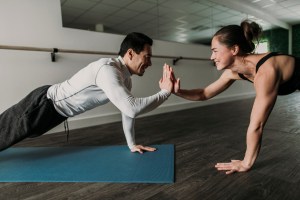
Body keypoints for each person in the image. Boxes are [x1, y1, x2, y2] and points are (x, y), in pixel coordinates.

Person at [0, 32, 174, 154]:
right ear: (130, 53)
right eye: (147, 57)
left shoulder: (125, 78)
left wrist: (132, 144)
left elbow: (127, 112)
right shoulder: (108, 70)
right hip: (43, 104)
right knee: (3, 133)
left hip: (55, 113)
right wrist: (165, 92)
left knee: (10, 136)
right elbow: (132, 109)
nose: (149, 63)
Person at [172, 20, 300, 174]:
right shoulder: (233, 72)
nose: (211, 57)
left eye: (215, 51)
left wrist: (246, 163)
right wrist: (177, 91)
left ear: (234, 49)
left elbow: (257, 125)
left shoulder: (266, 72)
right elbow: (204, 93)